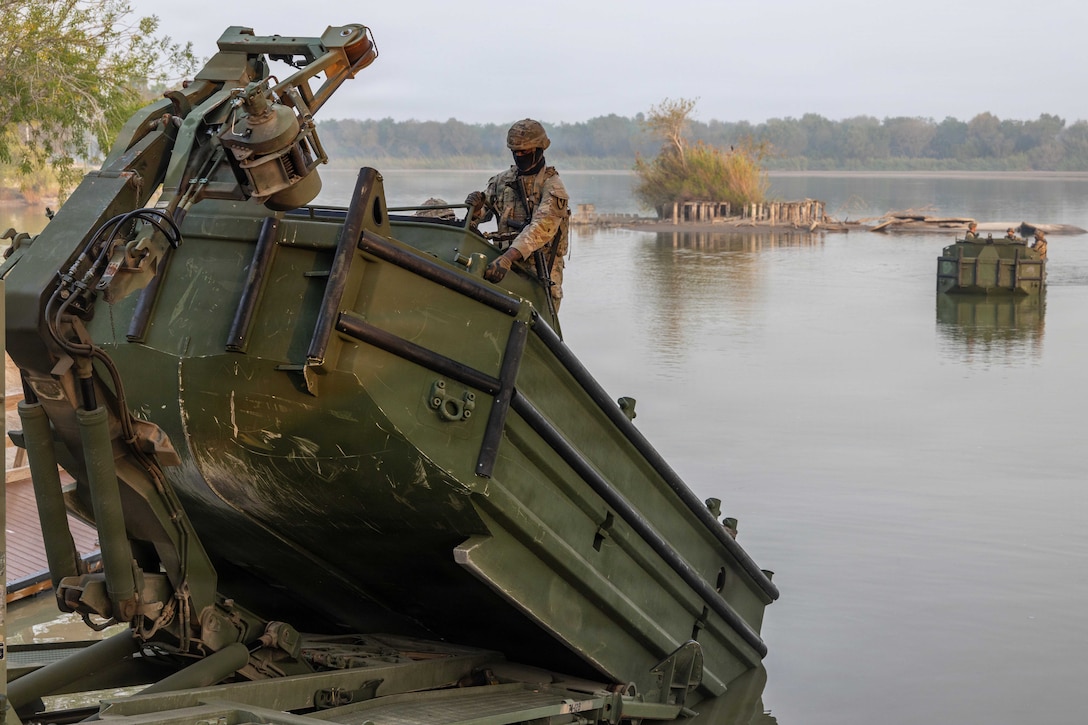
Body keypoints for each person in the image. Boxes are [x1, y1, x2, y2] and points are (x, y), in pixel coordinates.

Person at [464, 119, 569, 310]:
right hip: (503, 271)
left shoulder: (552, 186)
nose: (519, 156)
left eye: (525, 152)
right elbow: (481, 214)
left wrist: (508, 258)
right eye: (515, 152)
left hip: (540, 276)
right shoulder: (502, 181)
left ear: (538, 149)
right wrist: (475, 208)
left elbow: (542, 228)